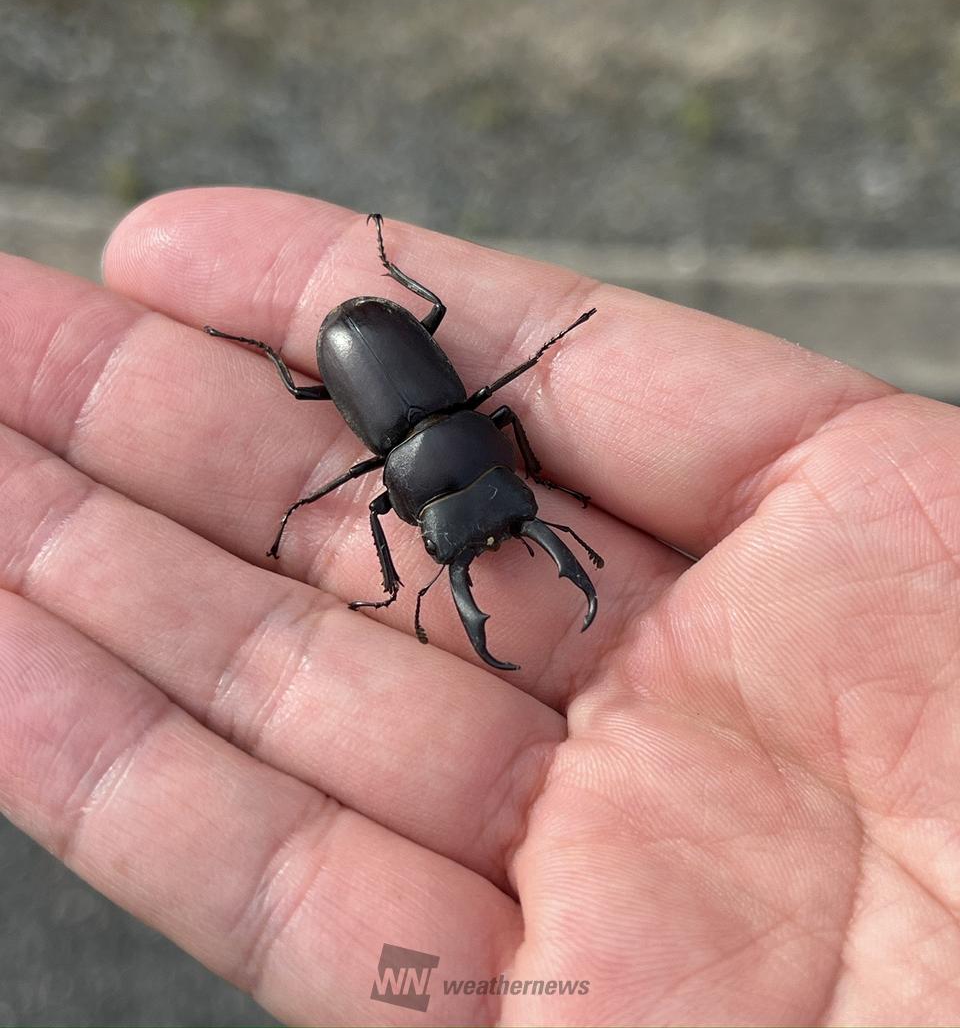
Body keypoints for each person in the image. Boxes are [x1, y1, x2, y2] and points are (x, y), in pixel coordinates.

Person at [0, 187, 956, 1026]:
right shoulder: (467, 431)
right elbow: (471, 456)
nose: (489, 541)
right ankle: (293, 340)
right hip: (388, 374)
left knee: (409, 363)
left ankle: (371, 325)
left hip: (406, 399)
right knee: (331, 373)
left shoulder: (423, 460)